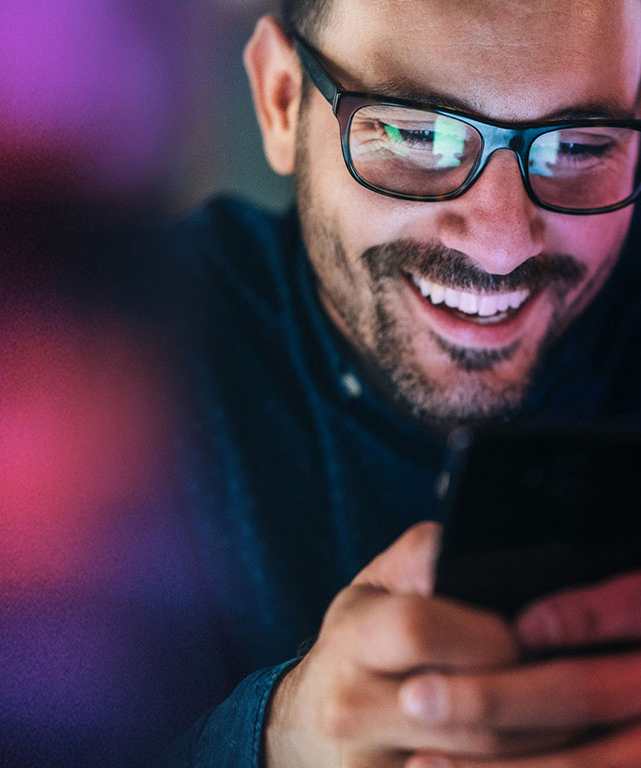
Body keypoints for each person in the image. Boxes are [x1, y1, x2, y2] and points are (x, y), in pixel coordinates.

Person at [149, 0, 641, 766]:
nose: (504, 244)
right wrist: (271, 744)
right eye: (419, 134)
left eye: (578, 146)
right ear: (282, 101)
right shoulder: (98, 366)